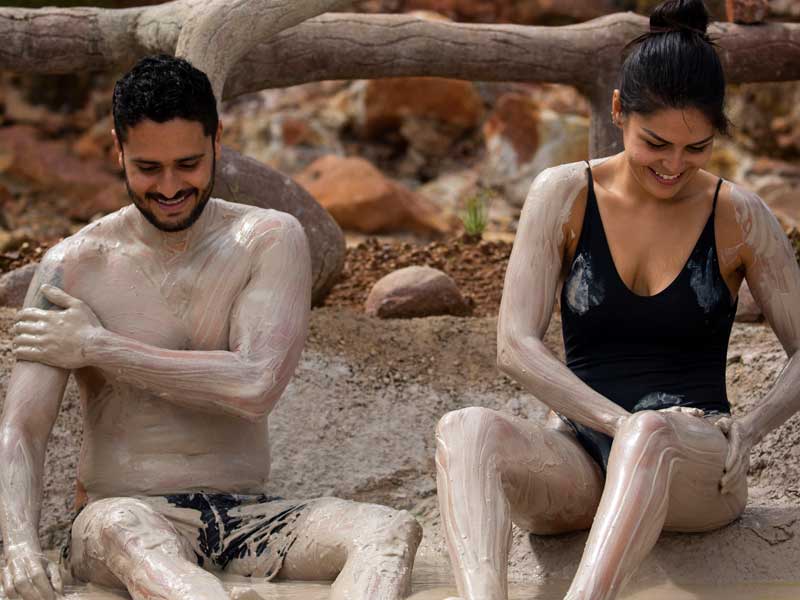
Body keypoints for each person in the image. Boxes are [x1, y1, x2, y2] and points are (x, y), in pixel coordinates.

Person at [0, 55, 421, 600]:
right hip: (124, 513)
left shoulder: (268, 239)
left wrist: (97, 345)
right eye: (148, 168)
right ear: (117, 148)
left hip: (247, 514)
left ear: (218, 139)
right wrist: (16, 544)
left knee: (387, 531)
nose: (170, 186)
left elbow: (254, 385)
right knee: (124, 530)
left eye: (188, 164)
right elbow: (22, 431)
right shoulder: (73, 265)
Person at [434, 1, 800, 598]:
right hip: (581, 453)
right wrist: (612, 422)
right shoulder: (562, 193)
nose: (674, 166)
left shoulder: (740, 215)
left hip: (692, 463)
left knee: (650, 434)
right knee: (465, 429)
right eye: (655, 144)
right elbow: (514, 345)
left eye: (697, 148)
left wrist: (753, 428)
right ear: (617, 112)